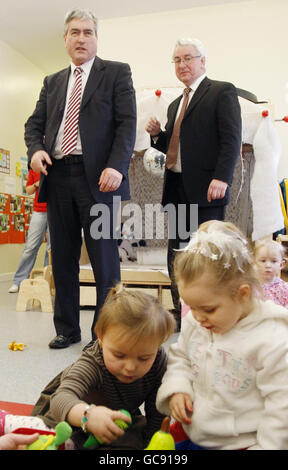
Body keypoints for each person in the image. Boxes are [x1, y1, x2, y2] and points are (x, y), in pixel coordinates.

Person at [24, 9, 137, 349]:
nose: (81, 38)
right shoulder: (52, 81)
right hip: (58, 177)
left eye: (88, 32)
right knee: (62, 257)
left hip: (100, 180)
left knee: (104, 259)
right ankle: (67, 329)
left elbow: (126, 124)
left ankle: (104, 333)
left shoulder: (116, 73)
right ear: (65, 39)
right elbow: (34, 125)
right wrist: (35, 150)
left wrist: (117, 166)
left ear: (96, 38)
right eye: (75, 32)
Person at [156, 220, 288, 450]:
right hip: (191, 431)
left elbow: (281, 407)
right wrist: (178, 388)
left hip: (242, 442)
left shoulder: (271, 337)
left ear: (242, 294)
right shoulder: (197, 320)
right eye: (190, 306)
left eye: (208, 309)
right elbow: (181, 358)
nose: (197, 317)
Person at [1, 286, 175, 450]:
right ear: (100, 337)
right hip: (69, 413)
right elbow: (61, 399)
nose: (130, 367)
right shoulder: (92, 362)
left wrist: (153, 442)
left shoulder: (158, 361)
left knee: (135, 434)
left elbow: (157, 408)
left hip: (114, 417)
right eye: (119, 355)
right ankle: (6, 421)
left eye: (143, 358)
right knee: (48, 435)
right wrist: (88, 415)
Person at [145, 38, 242, 330]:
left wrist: (222, 177)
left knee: (207, 254)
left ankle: (208, 314)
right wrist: (156, 136)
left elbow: (231, 138)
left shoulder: (221, 91)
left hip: (208, 189)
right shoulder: (175, 104)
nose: (182, 64)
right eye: (177, 60)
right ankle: (181, 310)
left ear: (203, 61)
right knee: (177, 254)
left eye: (188, 58)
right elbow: (174, 149)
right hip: (176, 189)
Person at [8, 169, 50, 293]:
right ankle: (18, 281)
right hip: (39, 211)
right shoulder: (34, 169)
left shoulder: (56, 167)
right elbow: (28, 190)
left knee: (51, 249)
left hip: (56, 210)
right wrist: (37, 184)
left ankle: (47, 282)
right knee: (30, 247)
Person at [254, 240, 288, 308]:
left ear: (281, 264)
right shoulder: (252, 286)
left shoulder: (284, 288)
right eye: (263, 261)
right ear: (255, 262)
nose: (268, 265)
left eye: (274, 261)